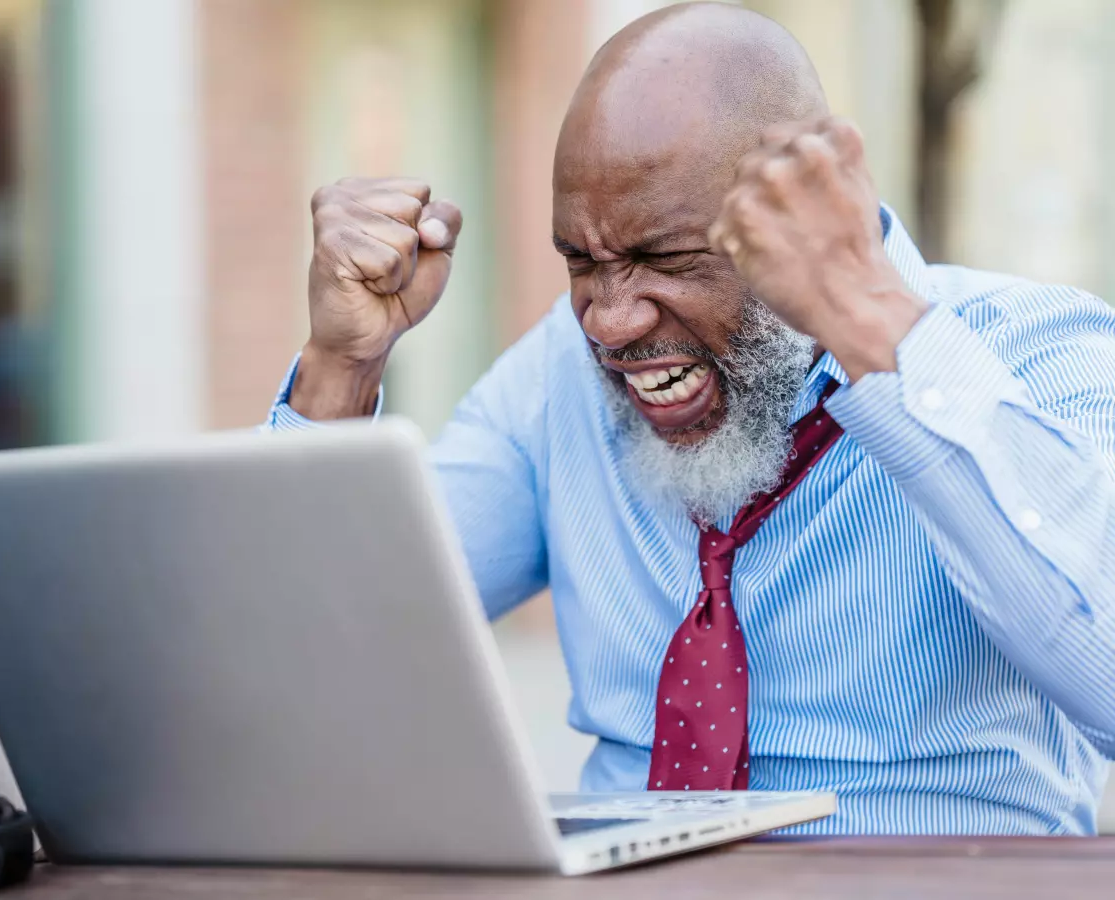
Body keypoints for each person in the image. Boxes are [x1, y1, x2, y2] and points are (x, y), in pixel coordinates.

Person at [264, 2, 1115, 834]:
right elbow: (314, 654)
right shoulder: (556, 372)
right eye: (581, 264)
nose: (610, 321)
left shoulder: (1037, 348)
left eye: (663, 259)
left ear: (803, 209)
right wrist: (342, 368)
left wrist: (872, 328)